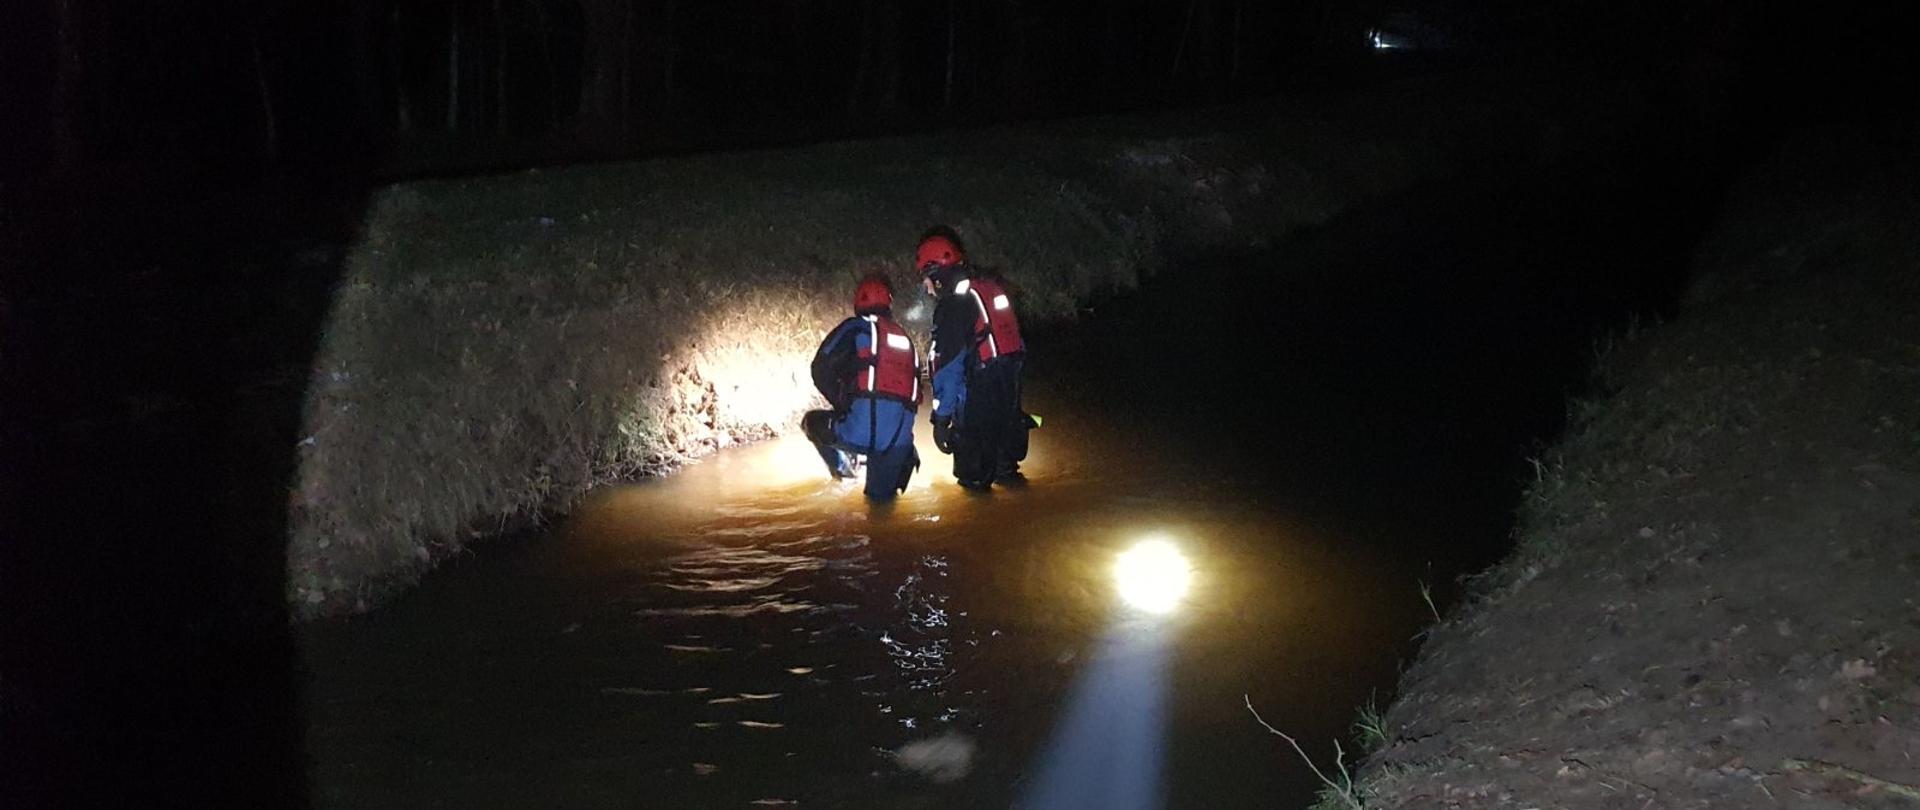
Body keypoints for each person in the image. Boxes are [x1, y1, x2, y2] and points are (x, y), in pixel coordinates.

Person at [917, 227, 1031, 491]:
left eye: (926, 277)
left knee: (975, 487)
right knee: (1008, 474)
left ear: (937, 274)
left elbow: (949, 369)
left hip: (978, 402)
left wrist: (942, 420)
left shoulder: (954, 307)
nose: (926, 287)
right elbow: (1015, 348)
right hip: (1008, 401)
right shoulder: (989, 289)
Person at [803, 274, 922, 500]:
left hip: (860, 433)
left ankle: (846, 477)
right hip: (899, 443)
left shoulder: (854, 328)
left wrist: (842, 403)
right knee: (880, 507)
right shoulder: (905, 339)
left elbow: (819, 368)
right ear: (888, 304)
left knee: (811, 423)